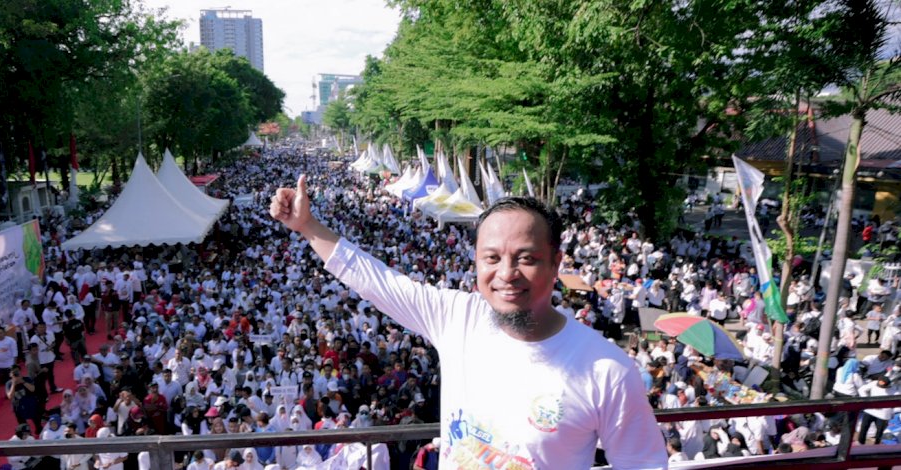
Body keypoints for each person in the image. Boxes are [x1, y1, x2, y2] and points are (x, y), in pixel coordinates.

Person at [270, 179, 666, 469]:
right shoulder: (457, 317)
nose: (507, 273)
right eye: (491, 258)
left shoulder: (608, 371)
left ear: (556, 263)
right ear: (476, 261)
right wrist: (309, 227)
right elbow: (378, 281)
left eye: (525, 258)